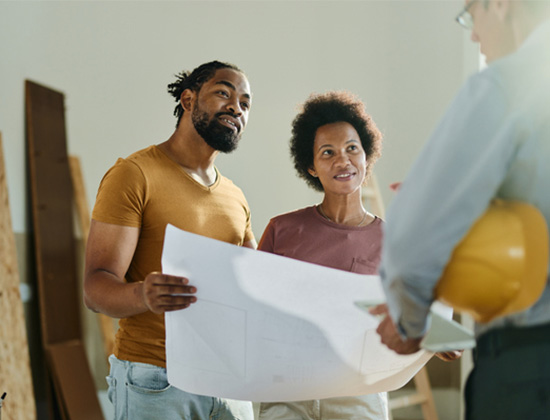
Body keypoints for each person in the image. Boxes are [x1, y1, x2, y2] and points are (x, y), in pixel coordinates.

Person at [374, 1, 550, 419]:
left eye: (473, 15)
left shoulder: (508, 85)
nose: (473, 34)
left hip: (529, 371)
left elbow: (414, 238)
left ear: (501, 6)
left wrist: (408, 320)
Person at [83, 61, 256, 420]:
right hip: (156, 379)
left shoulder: (235, 197)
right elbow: (95, 288)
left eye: (245, 103)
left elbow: (252, 284)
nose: (236, 107)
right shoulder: (134, 175)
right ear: (188, 99)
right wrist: (142, 294)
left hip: (228, 380)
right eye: (224, 92)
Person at [257, 90, 388, 420]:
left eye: (352, 149)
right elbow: (255, 309)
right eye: (327, 152)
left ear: (366, 156)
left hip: (359, 392)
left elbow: (410, 313)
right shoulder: (282, 230)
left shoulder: (393, 241)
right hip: (287, 390)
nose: (342, 161)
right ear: (311, 167)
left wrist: (437, 341)